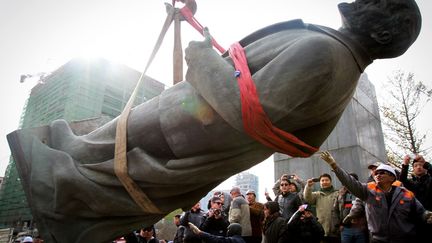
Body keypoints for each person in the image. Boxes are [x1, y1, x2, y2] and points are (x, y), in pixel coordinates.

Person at [7, 1, 422, 242]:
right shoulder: (338, 60)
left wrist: (203, 59)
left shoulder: (326, 56)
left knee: (113, 146)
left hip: (190, 125)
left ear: (384, 32)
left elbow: (252, 112)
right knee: (103, 143)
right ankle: (69, 164)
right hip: (189, 124)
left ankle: (58, 180)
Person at [320, 151, 432, 243]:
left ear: (392, 177)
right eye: (376, 173)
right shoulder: (368, 191)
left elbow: (420, 212)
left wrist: (427, 216)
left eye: (382, 172)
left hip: (404, 239)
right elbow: (350, 182)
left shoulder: (406, 194)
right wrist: (334, 165)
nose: (378, 174)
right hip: (378, 240)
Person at [400, 154, 432, 240]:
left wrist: (425, 163)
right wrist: (405, 165)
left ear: (425, 167)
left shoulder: (430, 180)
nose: (419, 167)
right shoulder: (411, 183)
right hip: (416, 220)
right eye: (416, 166)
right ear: (413, 169)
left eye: (421, 165)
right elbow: (402, 180)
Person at [303, 173, 340, 243]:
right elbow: (307, 198)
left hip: (335, 228)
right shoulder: (317, 194)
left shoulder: (337, 193)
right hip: (322, 228)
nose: (324, 182)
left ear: (331, 181)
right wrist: (308, 186)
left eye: (327, 180)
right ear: (320, 183)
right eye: (322, 180)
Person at [334, 173, 368, 243]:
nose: (349, 182)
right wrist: (339, 225)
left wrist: (364, 225)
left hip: (360, 228)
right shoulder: (340, 194)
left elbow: (368, 210)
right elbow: (335, 210)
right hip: (345, 228)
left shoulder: (362, 192)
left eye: (352, 180)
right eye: (347, 180)